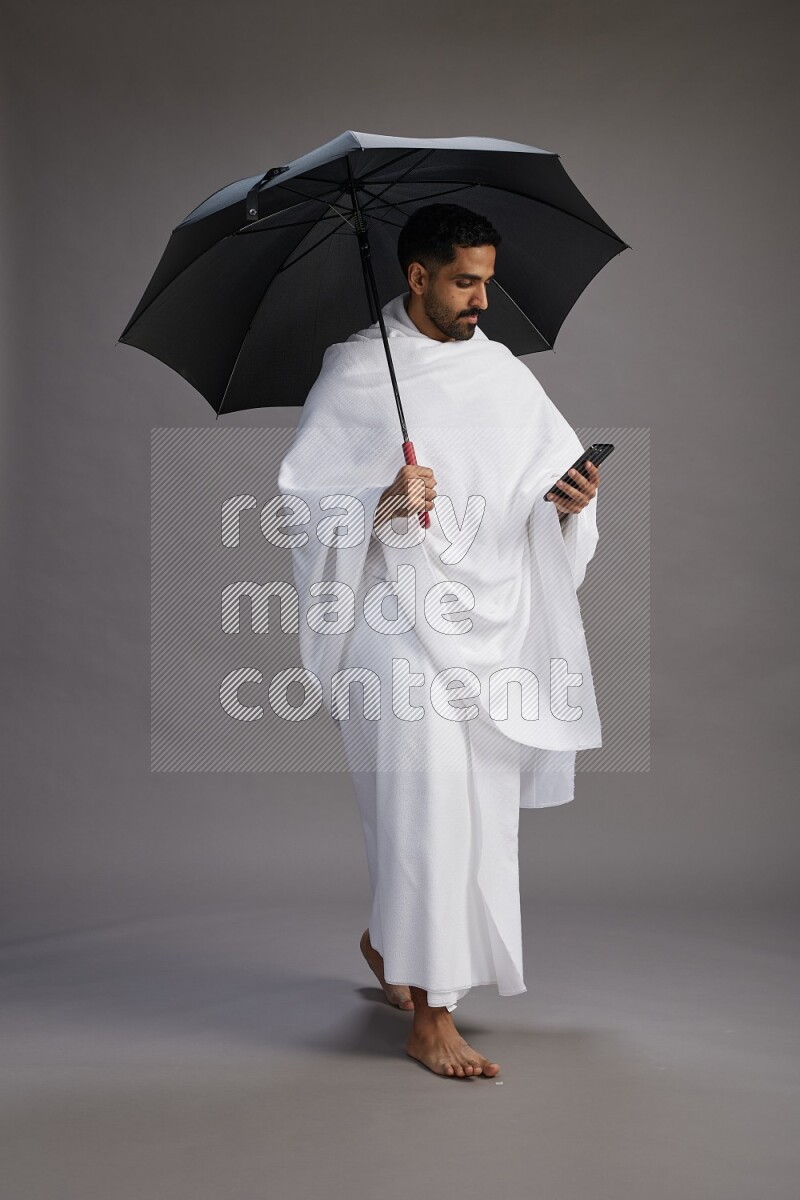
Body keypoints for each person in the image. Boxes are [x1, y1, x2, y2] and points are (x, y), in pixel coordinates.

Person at [277, 203, 602, 1079]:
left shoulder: (501, 375)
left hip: (489, 631)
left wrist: (566, 506)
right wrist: (380, 499)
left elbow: (536, 490)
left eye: (487, 280)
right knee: (424, 810)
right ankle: (433, 1015)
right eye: (465, 281)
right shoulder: (355, 373)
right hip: (392, 628)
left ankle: (397, 947)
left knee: (477, 811)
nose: (482, 300)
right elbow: (304, 513)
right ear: (417, 277)